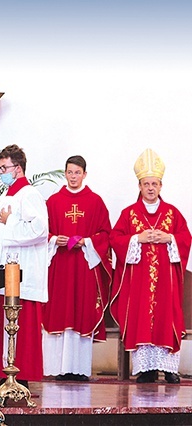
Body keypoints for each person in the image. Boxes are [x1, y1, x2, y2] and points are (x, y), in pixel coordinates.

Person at [110, 148, 190, 384]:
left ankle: (170, 369)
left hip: (166, 282)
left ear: (161, 185)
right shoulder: (129, 214)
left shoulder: (172, 213)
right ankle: (146, 370)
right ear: (140, 186)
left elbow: (186, 238)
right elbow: (115, 238)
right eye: (146, 184)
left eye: (155, 183)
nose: (151, 188)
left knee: (167, 318)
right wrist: (137, 239)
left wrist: (170, 238)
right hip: (140, 283)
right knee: (142, 319)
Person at [0, 144, 48, 384]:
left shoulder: (30, 194)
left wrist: (11, 219)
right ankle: (4, 374)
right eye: (0, 167)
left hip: (23, 272)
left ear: (18, 168)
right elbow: (1, 233)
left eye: (5, 167)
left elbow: (40, 229)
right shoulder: (6, 196)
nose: (2, 171)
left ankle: (20, 376)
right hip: (5, 270)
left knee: (20, 326)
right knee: (2, 323)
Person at [42, 155, 112, 381]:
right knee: (61, 310)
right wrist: (54, 239)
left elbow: (105, 234)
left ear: (85, 174)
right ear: (65, 173)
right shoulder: (53, 201)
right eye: (70, 172)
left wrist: (87, 242)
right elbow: (42, 232)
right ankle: (58, 368)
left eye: (78, 173)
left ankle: (80, 370)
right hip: (60, 266)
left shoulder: (95, 201)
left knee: (81, 311)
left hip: (83, 267)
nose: (73, 177)